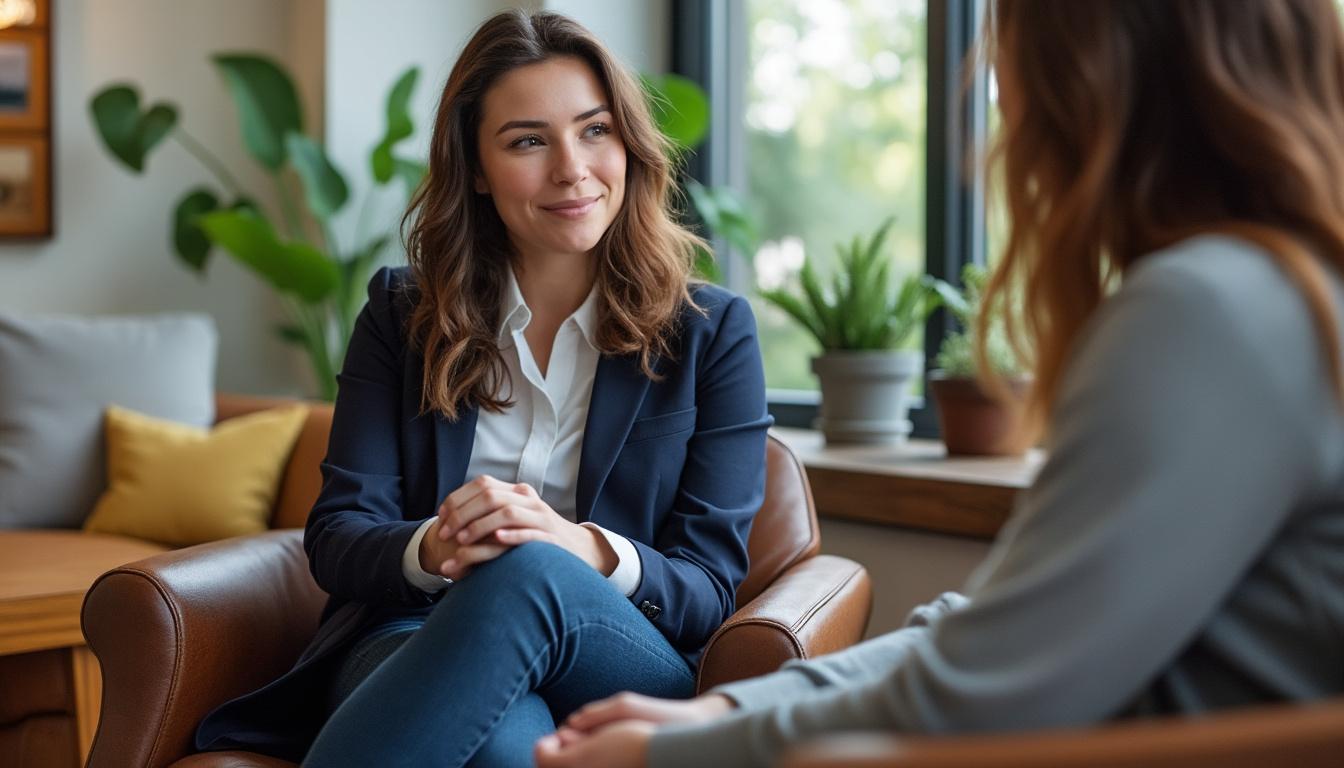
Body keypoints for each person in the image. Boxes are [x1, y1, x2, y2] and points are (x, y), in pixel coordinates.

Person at [533, 1, 1344, 766]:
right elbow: (1000, 634)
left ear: (1086, 80)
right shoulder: (1279, 292)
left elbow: (983, 691)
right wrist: (726, 715)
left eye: (1006, 61)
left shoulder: (1210, 312)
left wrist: (675, 753)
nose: (999, 110)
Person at [192, 9, 771, 766]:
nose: (572, 168)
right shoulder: (402, 315)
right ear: (474, 167)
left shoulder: (711, 330)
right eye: (528, 140)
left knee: (532, 568)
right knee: (503, 749)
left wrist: (575, 547)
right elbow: (338, 537)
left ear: (628, 142)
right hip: (415, 632)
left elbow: (707, 585)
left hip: (621, 653)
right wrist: (438, 544)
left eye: (594, 130)